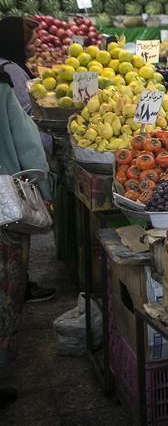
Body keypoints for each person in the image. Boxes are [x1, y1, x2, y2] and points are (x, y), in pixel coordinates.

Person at [0, 69, 54, 410]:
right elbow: (29, 146)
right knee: (5, 293)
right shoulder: (1, 88)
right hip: (4, 211)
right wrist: (44, 192)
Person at [0, 16, 38, 113]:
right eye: (32, 42)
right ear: (17, 45)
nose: (38, 44)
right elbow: (26, 112)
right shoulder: (13, 71)